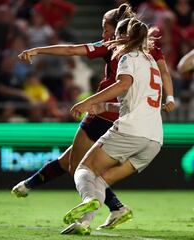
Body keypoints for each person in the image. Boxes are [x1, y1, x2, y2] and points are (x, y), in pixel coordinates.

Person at [12, 3, 175, 230]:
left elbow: (72, 51)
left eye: (105, 29)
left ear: (117, 30)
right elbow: (165, 73)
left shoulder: (116, 47)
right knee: (79, 163)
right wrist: (170, 98)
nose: (103, 35)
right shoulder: (151, 50)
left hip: (108, 114)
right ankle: (32, 187)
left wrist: (38, 50)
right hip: (147, 127)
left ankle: (99, 209)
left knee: (80, 167)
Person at [61, 17, 164, 235]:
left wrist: (89, 101)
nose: (111, 40)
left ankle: (88, 199)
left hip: (130, 131)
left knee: (83, 169)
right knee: (100, 179)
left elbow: (123, 84)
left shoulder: (128, 57)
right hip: (154, 139)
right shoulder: (151, 63)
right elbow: (138, 102)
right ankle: (84, 223)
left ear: (124, 36)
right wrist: (105, 105)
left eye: (115, 35)